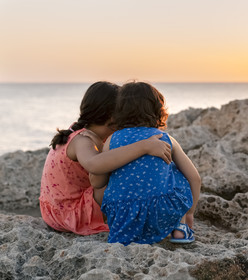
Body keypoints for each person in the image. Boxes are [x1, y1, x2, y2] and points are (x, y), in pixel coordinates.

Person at [39, 81, 172, 236]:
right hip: (71, 215)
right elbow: (94, 164)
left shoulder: (82, 132)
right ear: (113, 118)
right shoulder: (82, 140)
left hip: (55, 212)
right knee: (124, 175)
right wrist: (144, 146)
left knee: (117, 163)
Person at [90, 81, 201, 245]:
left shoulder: (112, 140)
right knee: (179, 172)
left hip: (123, 215)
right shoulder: (165, 139)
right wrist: (189, 212)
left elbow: (99, 181)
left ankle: (130, 230)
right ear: (158, 110)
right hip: (161, 212)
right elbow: (195, 178)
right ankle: (180, 228)